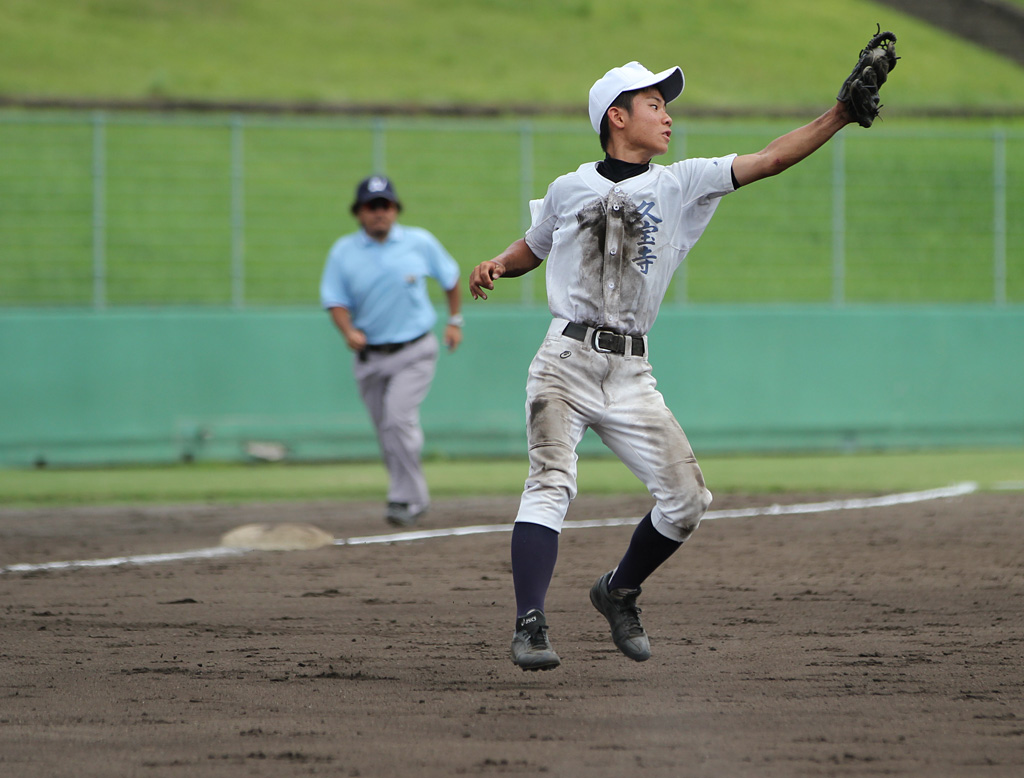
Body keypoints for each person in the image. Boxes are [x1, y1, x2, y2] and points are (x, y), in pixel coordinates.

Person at [469, 61, 861, 671]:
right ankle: (531, 622)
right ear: (616, 118)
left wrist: (837, 116)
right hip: (564, 362)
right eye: (654, 104)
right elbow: (535, 243)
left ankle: (618, 590)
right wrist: (497, 262)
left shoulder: (682, 183)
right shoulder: (569, 187)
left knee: (687, 500)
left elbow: (769, 158)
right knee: (550, 483)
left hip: (631, 374)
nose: (668, 114)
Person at [321, 175, 463, 528]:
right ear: (359, 213)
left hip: (414, 349)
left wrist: (455, 321)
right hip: (369, 356)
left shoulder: (419, 242)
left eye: (385, 205)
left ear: (395, 209)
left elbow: (450, 277)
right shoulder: (344, 251)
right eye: (371, 206)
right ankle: (405, 495)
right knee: (387, 430)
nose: (379, 213)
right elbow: (334, 299)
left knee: (398, 420)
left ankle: (408, 499)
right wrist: (347, 330)